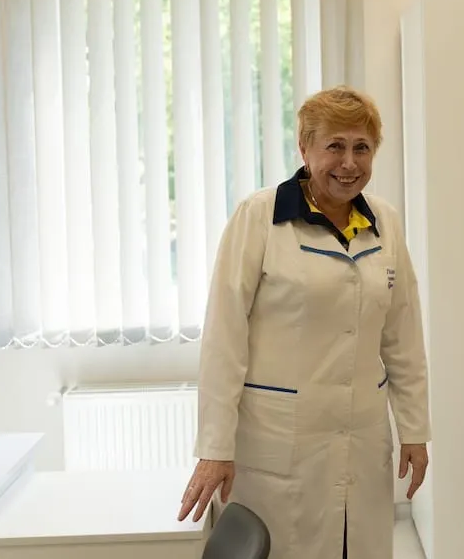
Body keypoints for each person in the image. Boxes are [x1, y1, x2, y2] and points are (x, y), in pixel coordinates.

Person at [178, 86, 431, 559]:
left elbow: (403, 336)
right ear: (305, 148)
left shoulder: (386, 222)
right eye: (334, 146)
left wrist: (415, 430)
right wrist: (214, 447)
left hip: (360, 436)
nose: (349, 163)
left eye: (362, 148)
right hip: (280, 443)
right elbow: (223, 340)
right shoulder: (259, 217)